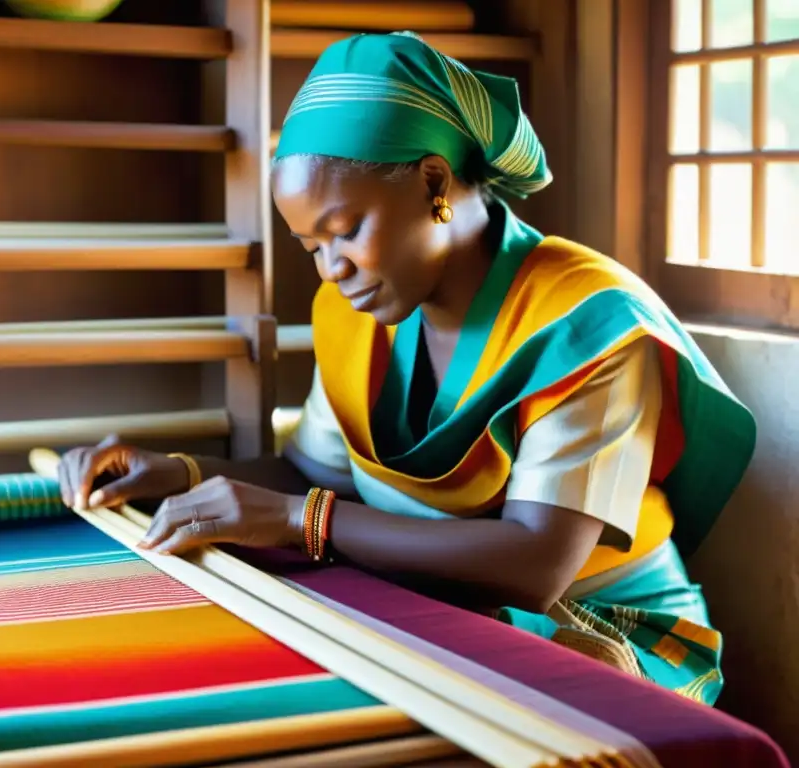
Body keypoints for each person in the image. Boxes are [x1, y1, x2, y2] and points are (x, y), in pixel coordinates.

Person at [57, 31, 755, 706]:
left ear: (432, 182)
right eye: (310, 247)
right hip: (447, 610)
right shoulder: (354, 314)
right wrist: (179, 472)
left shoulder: (587, 325)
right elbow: (315, 480)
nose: (332, 269)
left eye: (347, 231)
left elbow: (536, 567)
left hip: (603, 634)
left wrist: (306, 522)